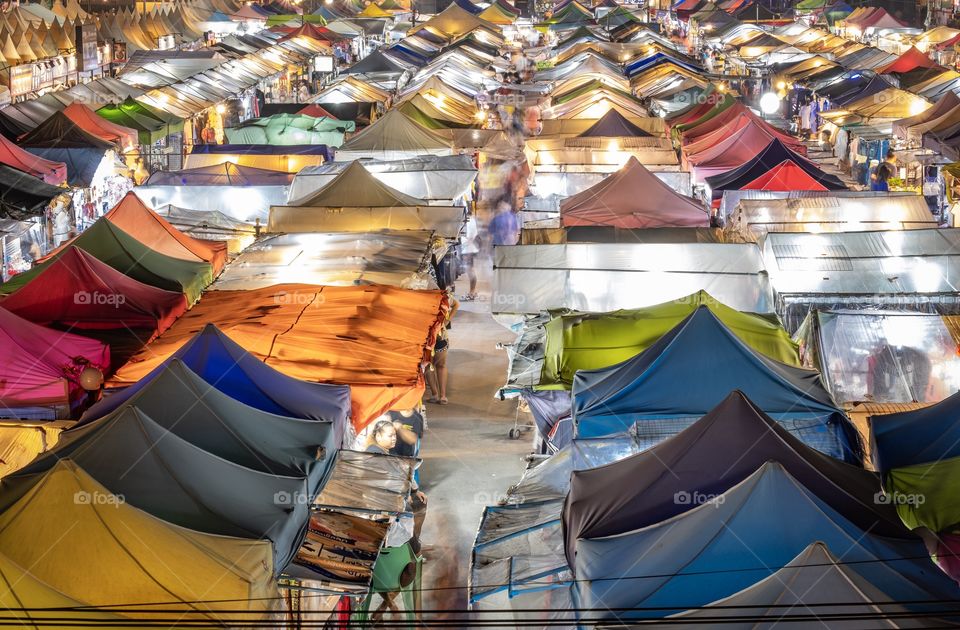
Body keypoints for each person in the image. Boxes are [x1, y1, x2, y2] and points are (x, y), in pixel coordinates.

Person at [425, 291, 459, 405]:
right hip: (426, 336)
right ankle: (437, 395)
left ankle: (440, 395)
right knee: (429, 365)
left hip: (437, 336)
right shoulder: (439, 296)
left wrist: (447, 321)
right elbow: (456, 304)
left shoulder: (441, 296)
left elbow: (456, 304)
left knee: (436, 365)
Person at [459, 210, 479, 301]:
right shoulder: (470, 219)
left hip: (468, 249)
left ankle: (472, 293)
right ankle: (472, 292)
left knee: (470, 271)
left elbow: (471, 235)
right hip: (468, 248)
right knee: (470, 270)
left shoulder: (469, 220)